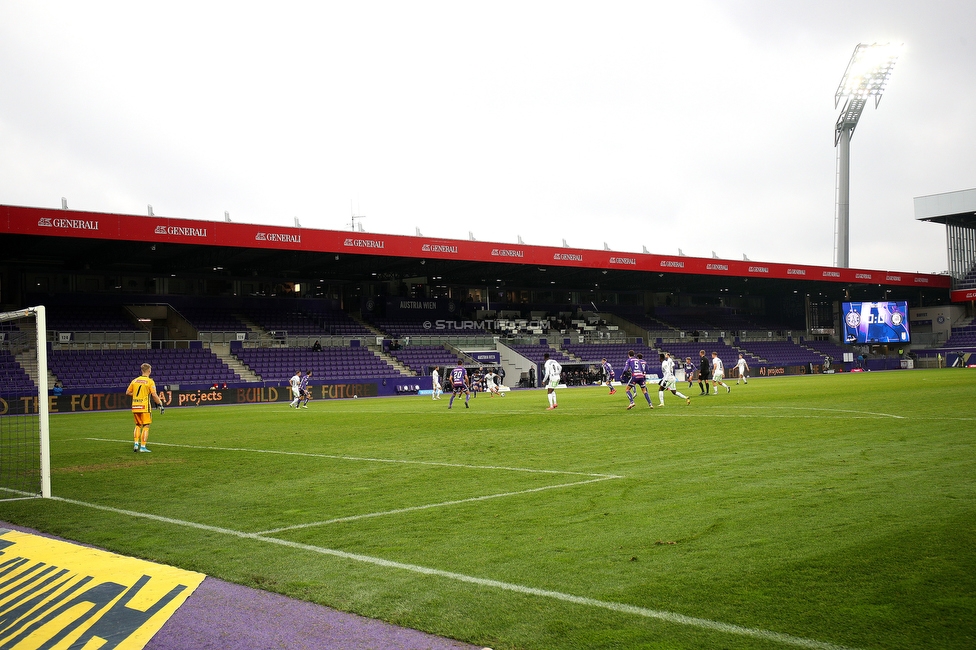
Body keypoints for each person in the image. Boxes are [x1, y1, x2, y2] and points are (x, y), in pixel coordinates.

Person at [126, 362, 164, 453]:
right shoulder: (150, 381)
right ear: (149, 371)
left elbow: (127, 392)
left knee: (138, 425)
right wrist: (160, 404)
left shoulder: (134, 380)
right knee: (146, 425)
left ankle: (136, 444)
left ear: (142, 370)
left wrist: (136, 396)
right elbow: (154, 395)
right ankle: (142, 446)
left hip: (135, 406)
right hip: (144, 407)